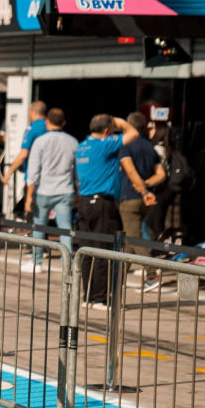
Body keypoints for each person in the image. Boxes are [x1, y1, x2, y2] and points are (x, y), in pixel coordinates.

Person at [75, 114, 139, 308]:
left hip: (84, 202)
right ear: (106, 131)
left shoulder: (82, 146)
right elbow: (133, 133)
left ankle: (88, 296)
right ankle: (100, 298)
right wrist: (119, 122)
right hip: (102, 202)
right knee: (103, 249)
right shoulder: (104, 144)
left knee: (86, 250)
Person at [23, 108, 77, 272]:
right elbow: (76, 171)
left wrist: (29, 196)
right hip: (65, 189)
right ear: (64, 123)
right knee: (65, 228)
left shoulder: (40, 141)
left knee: (39, 226)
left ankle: (36, 262)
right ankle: (67, 264)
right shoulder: (73, 142)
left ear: (47, 121)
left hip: (44, 190)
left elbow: (33, 172)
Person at [118, 111, 166, 283]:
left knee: (133, 239)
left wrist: (142, 188)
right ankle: (118, 277)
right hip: (145, 200)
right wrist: (147, 184)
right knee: (130, 239)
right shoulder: (149, 147)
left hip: (130, 197)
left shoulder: (126, 146)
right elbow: (161, 174)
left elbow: (130, 171)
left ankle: (153, 273)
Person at [1, 100, 47, 186]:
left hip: (34, 176)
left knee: (29, 195)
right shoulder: (50, 127)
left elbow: (23, 154)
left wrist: (8, 174)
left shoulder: (32, 129)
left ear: (33, 112)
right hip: (50, 176)